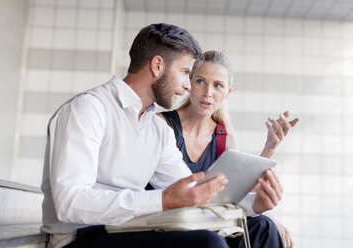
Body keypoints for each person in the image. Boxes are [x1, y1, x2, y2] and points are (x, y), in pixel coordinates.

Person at [41, 23, 282, 248]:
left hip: (126, 228)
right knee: (208, 244)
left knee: (261, 229)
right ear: (157, 66)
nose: (189, 86)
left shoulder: (157, 130)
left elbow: (197, 190)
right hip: (82, 238)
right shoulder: (89, 108)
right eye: (185, 72)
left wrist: (254, 205)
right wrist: (163, 200)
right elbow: (70, 204)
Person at [158, 50, 299, 248]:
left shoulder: (225, 139)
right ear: (189, 82)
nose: (208, 92)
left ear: (228, 92)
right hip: (169, 222)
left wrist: (270, 147)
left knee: (265, 226)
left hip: (211, 220)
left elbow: (233, 193)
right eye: (200, 81)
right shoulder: (162, 125)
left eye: (217, 85)